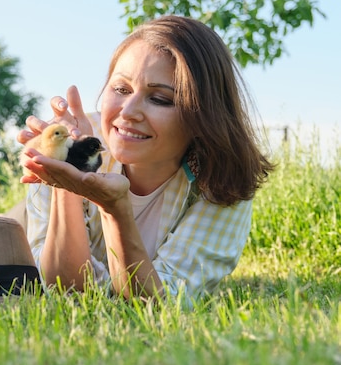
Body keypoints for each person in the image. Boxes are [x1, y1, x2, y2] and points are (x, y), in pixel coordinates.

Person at [17, 15, 274, 303]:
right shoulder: (67, 142)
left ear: (203, 116)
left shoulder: (223, 182)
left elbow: (156, 303)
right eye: (121, 89)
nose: (128, 112)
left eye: (160, 99)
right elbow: (67, 288)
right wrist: (67, 177)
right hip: (17, 226)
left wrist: (116, 210)